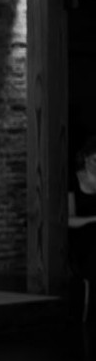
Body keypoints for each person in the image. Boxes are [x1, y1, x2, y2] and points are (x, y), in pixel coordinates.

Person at [69, 135, 96, 320]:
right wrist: (93, 219)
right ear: (86, 158)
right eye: (95, 160)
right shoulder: (74, 181)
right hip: (82, 233)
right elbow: (68, 220)